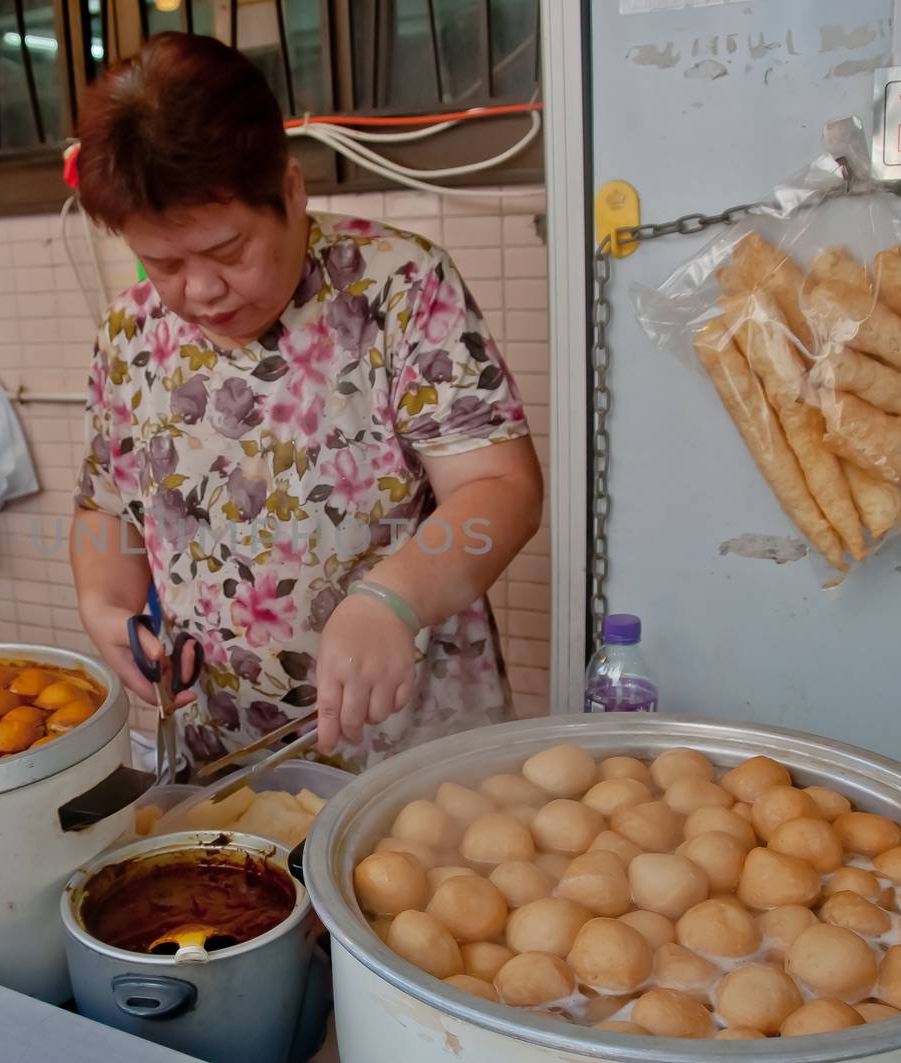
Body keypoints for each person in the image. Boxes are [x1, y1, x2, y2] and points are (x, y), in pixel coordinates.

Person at [67, 34, 544, 771]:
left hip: (408, 743)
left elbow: (501, 488)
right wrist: (104, 603)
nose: (200, 290)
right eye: (163, 263)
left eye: (229, 251)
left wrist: (394, 599)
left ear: (290, 191)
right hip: (220, 757)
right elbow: (105, 506)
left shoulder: (397, 287)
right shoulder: (130, 332)